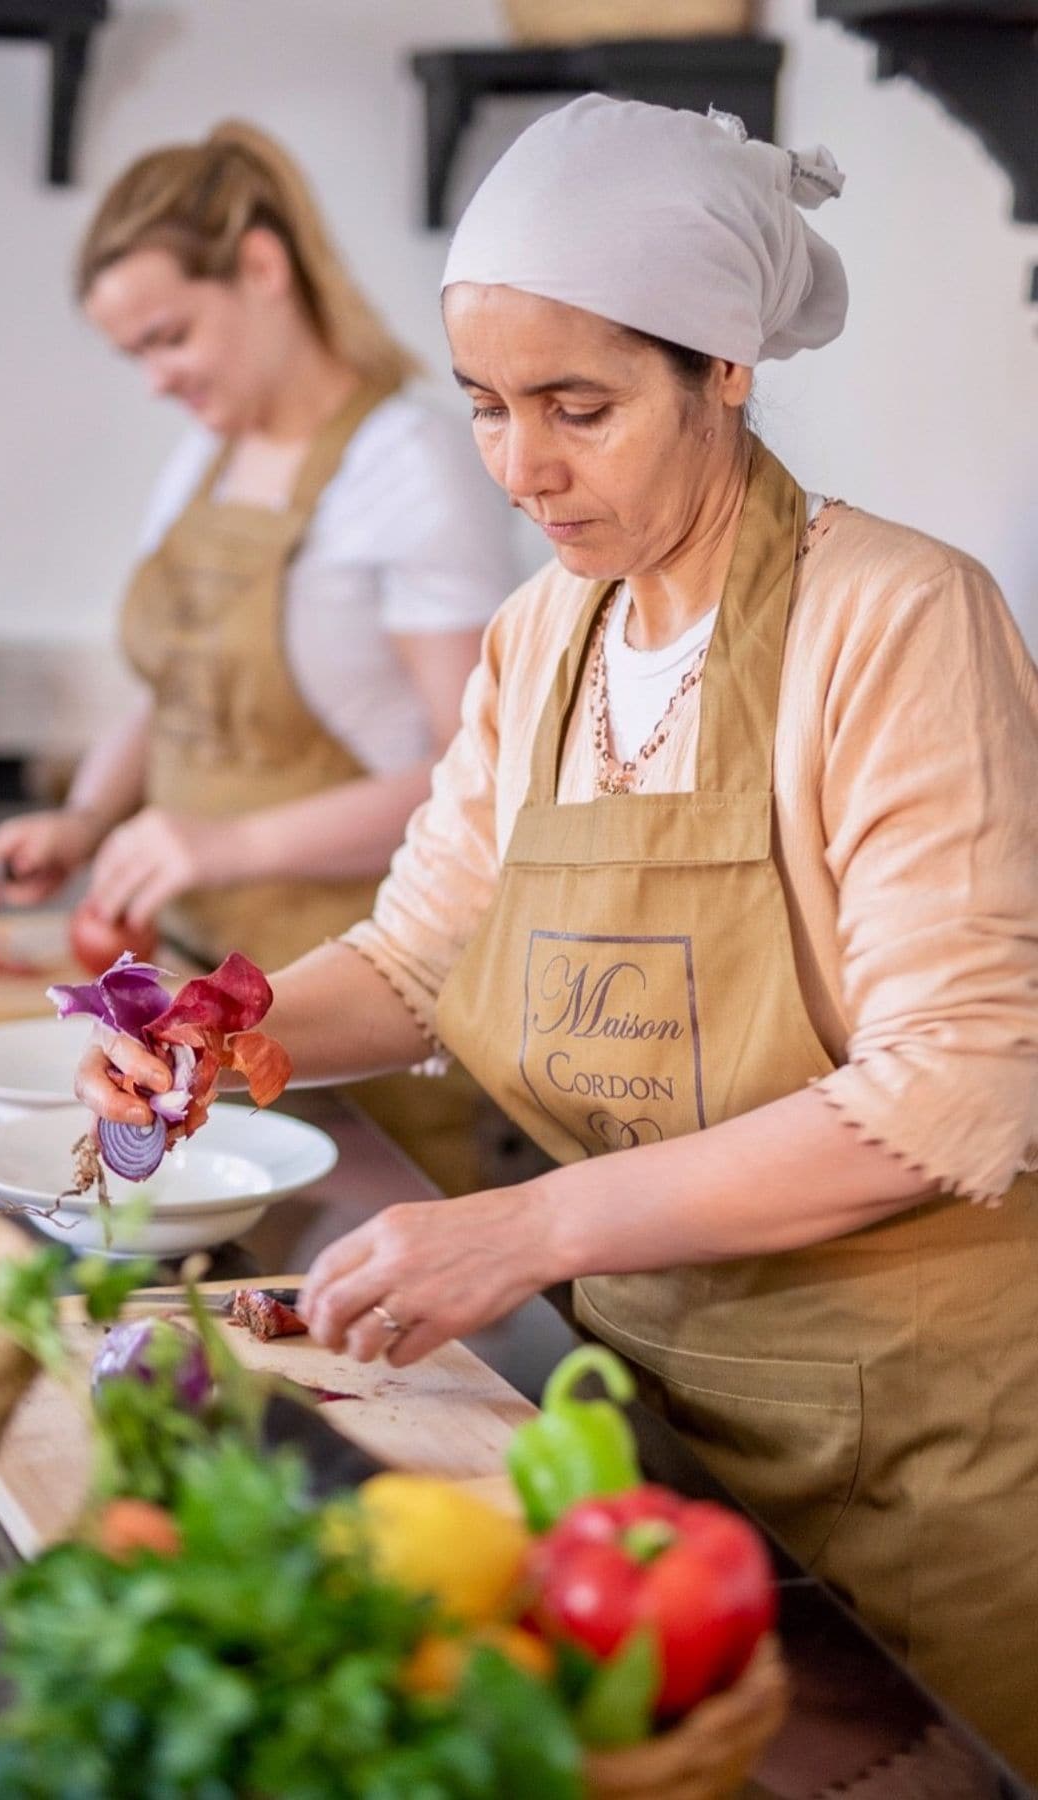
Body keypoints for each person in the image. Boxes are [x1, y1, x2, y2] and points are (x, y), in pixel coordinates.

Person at [77, 98, 1038, 1774]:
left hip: (915, 1455)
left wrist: (524, 1228)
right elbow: (424, 957)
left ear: (723, 369)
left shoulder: (898, 618)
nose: (525, 466)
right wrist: (202, 1041)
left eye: (579, 407)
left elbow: (953, 1086)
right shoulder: (546, 637)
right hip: (646, 1419)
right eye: (489, 411)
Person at [0, 119, 518, 1195]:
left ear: (262, 267)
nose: (154, 379)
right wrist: (89, 819)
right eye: (135, 352)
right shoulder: (207, 460)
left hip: (352, 1026)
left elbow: (480, 777)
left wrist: (229, 842)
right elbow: (172, 693)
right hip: (198, 994)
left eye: (168, 336)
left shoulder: (403, 463)